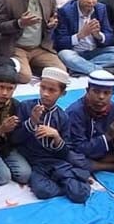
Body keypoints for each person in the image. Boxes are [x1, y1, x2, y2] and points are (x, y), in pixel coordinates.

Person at [15, 67, 91, 201]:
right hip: (35, 162)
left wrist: (56, 136)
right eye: (43, 88)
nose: (45, 94)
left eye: (52, 90)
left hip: (56, 161)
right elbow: (15, 140)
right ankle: (66, 182)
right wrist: (31, 122)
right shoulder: (25, 107)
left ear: (62, 93)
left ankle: (67, 178)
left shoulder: (63, 117)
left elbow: (65, 151)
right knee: (42, 191)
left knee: (80, 194)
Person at [56, 0, 114, 77]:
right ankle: (101, 71)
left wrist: (99, 35)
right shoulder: (65, 11)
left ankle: (81, 69)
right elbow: (59, 41)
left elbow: (110, 36)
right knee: (64, 55)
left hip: (94, 52)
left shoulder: (101, 9)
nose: (90, 1)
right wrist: (80, 35)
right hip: (74, 52)